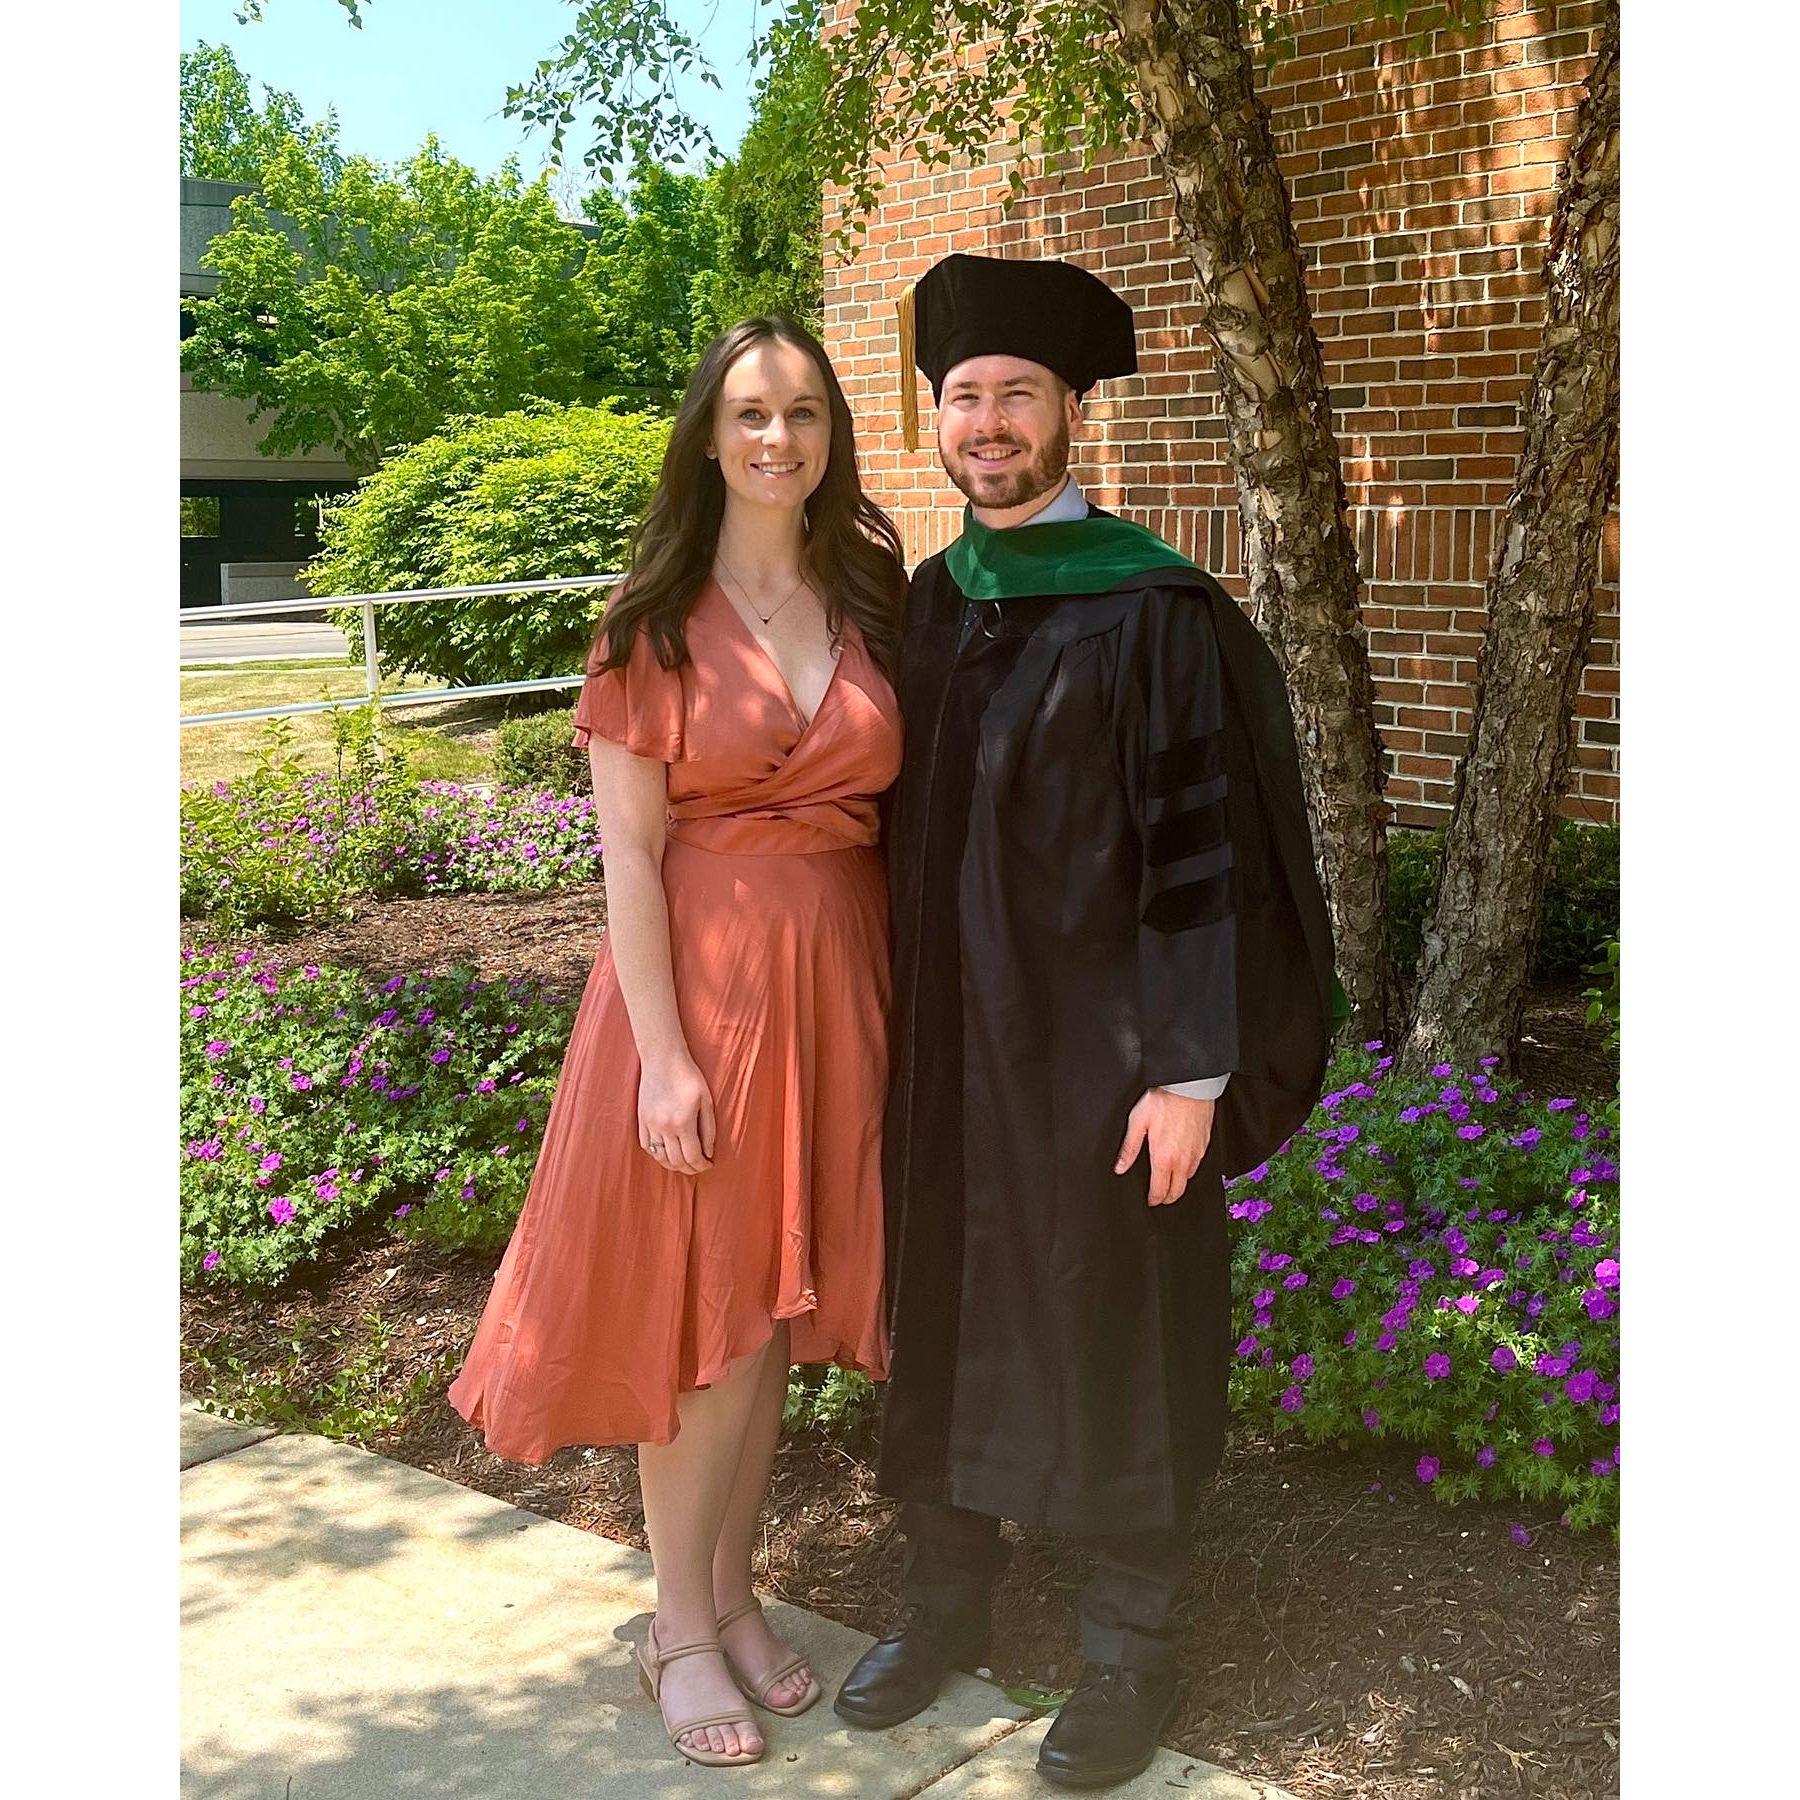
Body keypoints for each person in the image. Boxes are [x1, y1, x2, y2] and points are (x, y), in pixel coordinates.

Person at [833, 254, 1342, 1790]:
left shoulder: (1152, 608)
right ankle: (946, 1603)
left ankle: (1130, 1647)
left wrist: (1194, 1070)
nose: (987, 422)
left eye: (1018, 397)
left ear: (1071, 417)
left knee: (1117, 1318)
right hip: (945, 1054)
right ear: (939, 419)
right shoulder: (931, 602)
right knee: (950, 1306)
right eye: (964, 396)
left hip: (1108, 1055)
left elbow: (1217, 856)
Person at [449, 315, 908, 1769]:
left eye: (807, 416)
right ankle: (677, 1628)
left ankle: (735, 1592)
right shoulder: (649, 620)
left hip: (839, 986)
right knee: (707, 1326)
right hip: (700, 1002)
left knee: (772, 1319)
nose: (779, 440)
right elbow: (628, 860)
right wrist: (663, 1056)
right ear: (708, 437)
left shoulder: (867, 594)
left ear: (835, 439)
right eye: (751, 414)